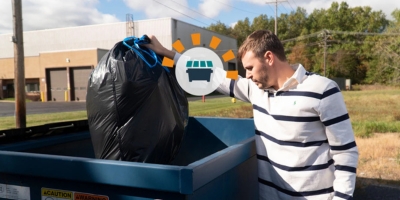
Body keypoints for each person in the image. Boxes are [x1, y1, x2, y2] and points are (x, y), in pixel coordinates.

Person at [144, 30, 359, 200]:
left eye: (250, 68)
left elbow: (345, 153)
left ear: (269, 57)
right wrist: (166, 52)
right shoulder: (254, 89)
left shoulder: (323, 90)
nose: (246, 75)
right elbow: (211, 74)